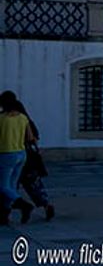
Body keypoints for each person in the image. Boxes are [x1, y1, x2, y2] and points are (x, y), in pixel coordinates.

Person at [12, 99, 52, 222]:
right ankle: (46, 205)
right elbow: (34, 139)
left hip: (15, 155)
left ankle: (17, 208)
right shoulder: (27, 120)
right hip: (29, 158)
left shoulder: (9, 120)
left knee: (10, 186)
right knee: (34, 186)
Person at [0, 91, 35, 224]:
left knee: (3, 186)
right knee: (12, 185)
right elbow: (30, 137)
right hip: (21, 154)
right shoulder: (23, 118)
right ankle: (5, 213)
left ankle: (24, 205)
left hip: (5, 154)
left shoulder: (1, 119)